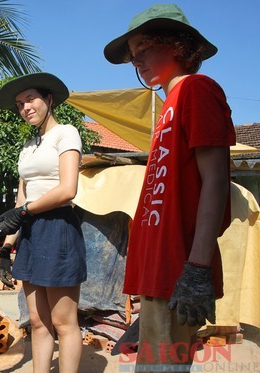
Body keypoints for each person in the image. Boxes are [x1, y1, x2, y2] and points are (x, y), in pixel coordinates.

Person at [104, 4, 236, 371]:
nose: (138, 62)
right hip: (158, 269)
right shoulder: (168, 104)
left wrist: (196, 267)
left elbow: (215, 182)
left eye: (145, 48)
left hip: (180, 266)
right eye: (133, 56)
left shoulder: (197, 89)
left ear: (178, 45)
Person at [0, 72, 87, 372]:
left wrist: (24, 212)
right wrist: (7, 248)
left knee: (63, 321)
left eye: (30, 99)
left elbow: (67, 189)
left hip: (58, 227)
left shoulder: (66, 133)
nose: (25, 107)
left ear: (48, 99)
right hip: (31, 232)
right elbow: (21, 200)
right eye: (20, 103)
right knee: (36, 320)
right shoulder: (27, 147)